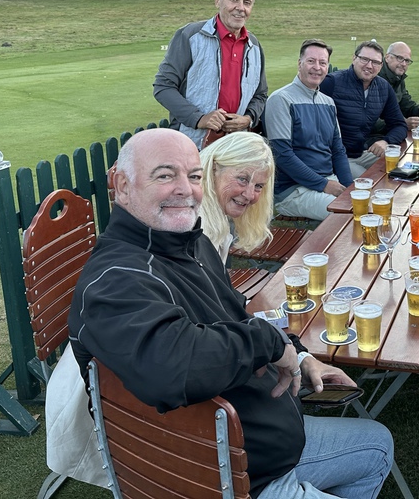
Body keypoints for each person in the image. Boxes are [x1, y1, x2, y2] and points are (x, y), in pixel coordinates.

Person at [68, 128, 393, 499]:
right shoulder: (117, 279)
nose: (185, 189)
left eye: (193, 176)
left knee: (377, 444)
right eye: (165, 175)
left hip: (262, 444)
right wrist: (270, 344)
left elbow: (238, 314)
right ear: (123, 186)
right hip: (228, 475)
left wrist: (299, 355)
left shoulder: (190, 245)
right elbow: (173, 368)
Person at [154, 0, 267, 149]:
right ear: (218, 0)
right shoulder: (190, 36)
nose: (240, 8)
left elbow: (260, 95)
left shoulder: (254, 46)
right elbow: (163, 87)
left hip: (236, 146)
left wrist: (248, 118)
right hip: (192, 146)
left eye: (247, 2)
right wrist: (199, 118)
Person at [264, 39, 353, 221]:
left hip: (327, 181)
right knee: (348, 215)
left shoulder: (328, 103)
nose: (317, 68)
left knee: (366, 204)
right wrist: (324, 184)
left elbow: (338, 150)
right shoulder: (281, 99)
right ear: (300, 63)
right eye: (311, 61)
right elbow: (282, 155)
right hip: (293, 191)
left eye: (323, 63)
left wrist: (349, 187)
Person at [320, 41, 408, 178]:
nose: (369, 66)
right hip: (336, 157)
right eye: (364, 59)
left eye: (375, 62)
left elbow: (399, 125)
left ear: (381, 66)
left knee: (403, 168)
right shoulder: (331, 83)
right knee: (371, 182)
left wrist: (386, 141)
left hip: (364, 153)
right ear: (354, 58)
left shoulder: (383, 87)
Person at [199, 132, 274, 264]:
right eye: (242, 179)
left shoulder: (216, 218)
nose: (250, 195)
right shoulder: (195, 225)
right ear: (214, 169)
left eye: (258, 186)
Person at [371, 41, 419, 137]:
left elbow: (407, 106)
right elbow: (370, 120)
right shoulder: (374, 78)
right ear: (387, 57)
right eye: (400, 58)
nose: (404, 64)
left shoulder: (398, 78)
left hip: (390, 134)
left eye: (407, 60)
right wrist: (401, 123)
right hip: (371, 138)